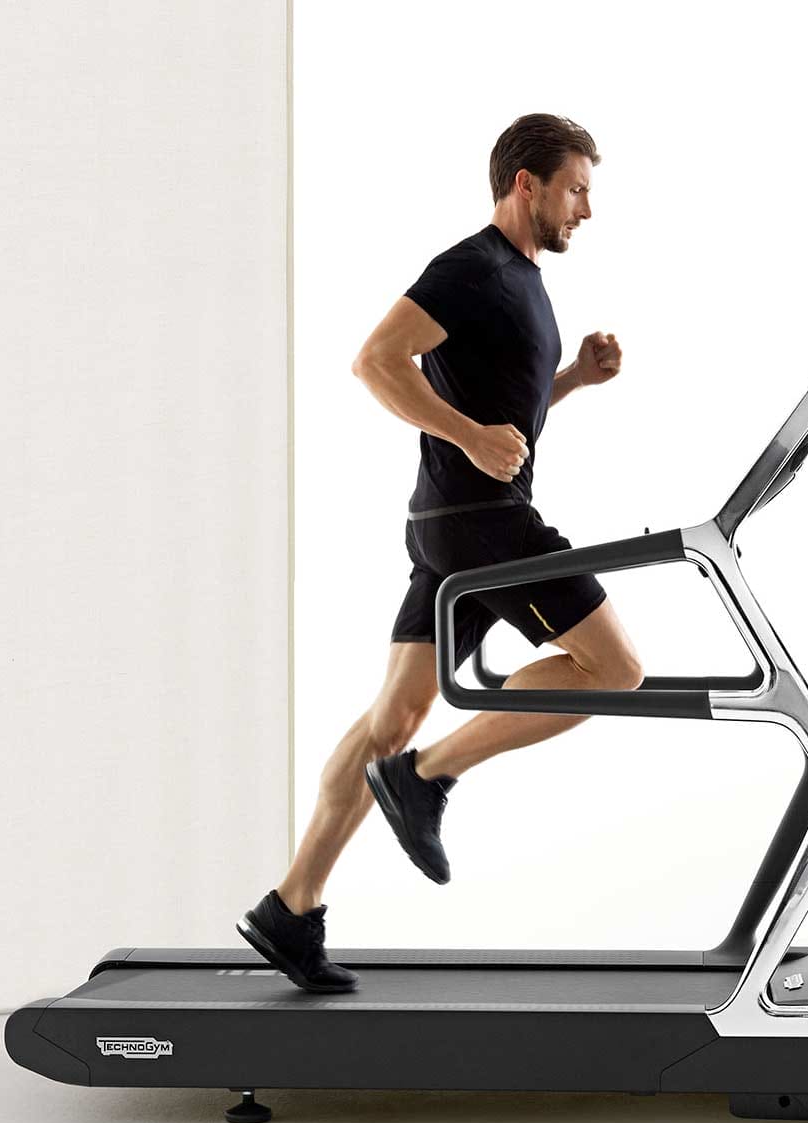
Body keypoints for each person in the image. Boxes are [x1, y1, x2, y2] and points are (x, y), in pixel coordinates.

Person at [238, 114, 643, 992]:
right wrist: (466, 437)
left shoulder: (523, 282)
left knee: (389, 720)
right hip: (480, 518)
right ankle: (425, 780)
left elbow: (505, 413)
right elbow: (377, 362)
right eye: (575, 187)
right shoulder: (472, 268)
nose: (586, 207)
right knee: (614, 672)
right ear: (524, 184)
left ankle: (291, 905)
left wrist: (571, 379)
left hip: (446, 523)